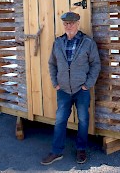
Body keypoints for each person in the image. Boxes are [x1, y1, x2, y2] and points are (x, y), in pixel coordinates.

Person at [41, 11, 101, 165]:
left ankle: (81, 149)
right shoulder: (58, 42)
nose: (69, 26)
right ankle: (56, 151)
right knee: (60, 121)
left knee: (83, 120)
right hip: (63, 91)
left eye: (72, 23)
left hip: (81, 90)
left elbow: (96, 64)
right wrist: (55, 83)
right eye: (66, 23)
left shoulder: (88, 42)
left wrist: (88, 84)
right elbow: (52, 64)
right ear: (64, 25)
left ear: (77, 24)